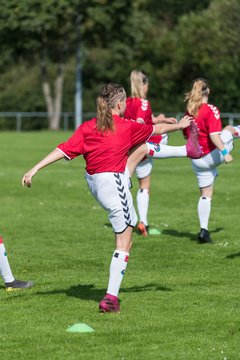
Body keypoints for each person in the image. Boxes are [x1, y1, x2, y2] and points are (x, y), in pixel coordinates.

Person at [22, 83, 194, 313]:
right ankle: (110, 298)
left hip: (97, 181)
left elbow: (62, 150)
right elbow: (157, 130)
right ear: (121, 104)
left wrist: (34, 169)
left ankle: (187, 151)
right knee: (125, 241)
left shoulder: (88, 127)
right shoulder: (125, 125)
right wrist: (181, 125)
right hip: (113, 184)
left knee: (142, 149)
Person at [124, 69, 197, 236]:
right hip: (141, 148)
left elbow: (134, 122)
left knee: (125, 183)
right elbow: (140, 124)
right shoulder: (143, 103)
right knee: (144, 186)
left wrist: (160, 119)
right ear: (144, 85)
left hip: (126, 148)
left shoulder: (126, 102)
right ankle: (143, 223)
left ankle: (128, 221)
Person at [183, 78, 240, 243]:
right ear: (208, 91)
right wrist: (225, 152)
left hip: (197, 160)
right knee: (228, 130)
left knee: (206, 195)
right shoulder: (211, 109)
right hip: (213, 155)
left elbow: (186, 135)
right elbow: (214, 136)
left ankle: (204, 231)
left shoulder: (189, 111)